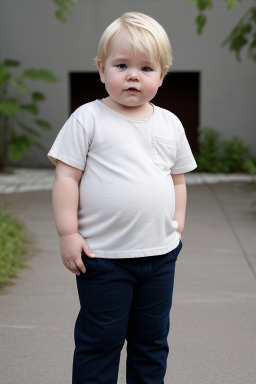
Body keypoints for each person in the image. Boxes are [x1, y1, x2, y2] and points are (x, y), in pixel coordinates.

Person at [48, 11, 197, 384]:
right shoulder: (88, 118)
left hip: (160, 256)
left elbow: (177, 179)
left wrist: (177, 226)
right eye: (122, 65)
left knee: (151, 342)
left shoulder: (169, 123)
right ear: (102, 70)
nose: (133, 75)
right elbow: (67, 177)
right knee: (100, 342)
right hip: (103, 259)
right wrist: (68, 233)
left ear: (162, 76)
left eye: (146, 68)